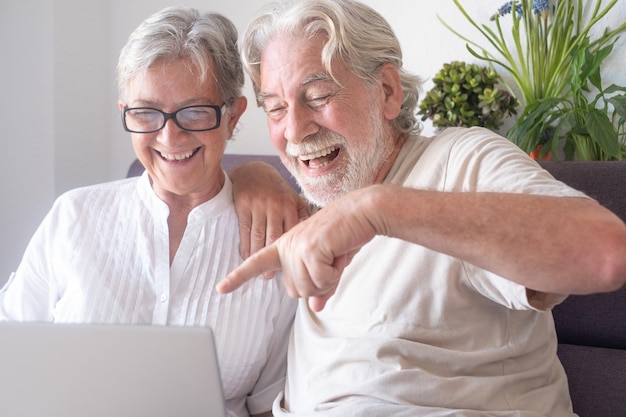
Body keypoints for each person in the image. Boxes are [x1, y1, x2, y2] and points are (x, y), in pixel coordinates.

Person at [217, 0, 626, 416]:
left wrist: (378, 208)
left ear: (388, 92)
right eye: (276, 109)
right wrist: (254, 173)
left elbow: (605, 250)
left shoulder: (460, 160)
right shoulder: (310, 204)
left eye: (318, 96)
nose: (295, 130)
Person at [0, 6, 301, 417]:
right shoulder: (74, 217)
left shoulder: (276, 243)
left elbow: (273, 405)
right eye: (145, 112)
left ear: (233, 116)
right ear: (125, 110)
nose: (169, 135)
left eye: (195, 111)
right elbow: (11, 359)